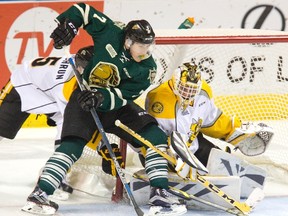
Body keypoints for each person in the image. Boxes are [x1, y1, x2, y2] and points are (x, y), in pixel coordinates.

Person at [22, 3, 186, 216]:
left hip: (115, 106)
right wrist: (70, 24)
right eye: (141, 46)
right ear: (127, 41)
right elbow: (83, 10)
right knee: (72, 145)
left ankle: (160, 193)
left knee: (154, 136)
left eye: (149, 46)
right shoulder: (111, 33)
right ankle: (40, 195)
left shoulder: (148, 68)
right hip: (83, 99)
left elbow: (124, 96)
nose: (146, 51)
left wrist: (101, 97)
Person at [145, 62, 274, 198]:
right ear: (175, 84)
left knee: (220, 160)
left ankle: (244, 184)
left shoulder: (203, 92)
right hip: (165, 153)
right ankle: (161, 185)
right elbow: (150, 136)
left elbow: (211, 121)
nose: (188, 94)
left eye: (192, 90)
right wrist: (172, 155)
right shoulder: (158, 98)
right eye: (184, 89)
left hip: (193, 145)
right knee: (179, 166)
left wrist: (233, 132)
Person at [0, 45, 94, 197]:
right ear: (78, 66)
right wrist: (100, 145)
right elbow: (75, 123)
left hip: (47, 90)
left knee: (65, 128)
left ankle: (53, 175)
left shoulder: (81, 63)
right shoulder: (63, 83)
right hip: (23, 85)